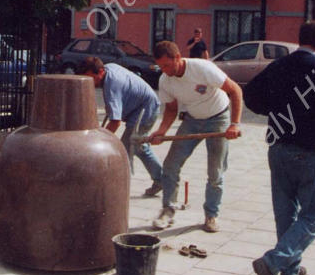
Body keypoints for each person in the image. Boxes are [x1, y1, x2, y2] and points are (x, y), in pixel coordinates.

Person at [243, 21, 315, 275]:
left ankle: (291, 271)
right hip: (309, 150)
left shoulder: (279, 66)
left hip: (278, 148)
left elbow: (251, 95)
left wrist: (276, 110)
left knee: (285, 212)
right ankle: (273, 262)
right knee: (313, 216)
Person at [147, 40, 242, 233]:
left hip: (218, 118)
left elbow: (235, 90)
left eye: (167, 65)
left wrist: (234, 124)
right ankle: (168, 210)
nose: (164, 70)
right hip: (192, 120)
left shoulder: (202, 68)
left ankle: (211, 215)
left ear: (178, 58)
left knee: (215, 172)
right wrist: (162, 131)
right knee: (170, 165)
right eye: (161, 66)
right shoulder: (165, 80)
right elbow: (171, 108)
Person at [77, 56, 164, 196]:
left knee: (125, 148)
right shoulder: (109, 67)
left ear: (100, 71)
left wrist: (99, 140)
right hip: (142, 106)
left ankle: (119, 190)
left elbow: (115, 122)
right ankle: (161, 179)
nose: (91, 84)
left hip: (146, 110)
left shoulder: (112, 85)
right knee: (139, 147)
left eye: (91, 79)